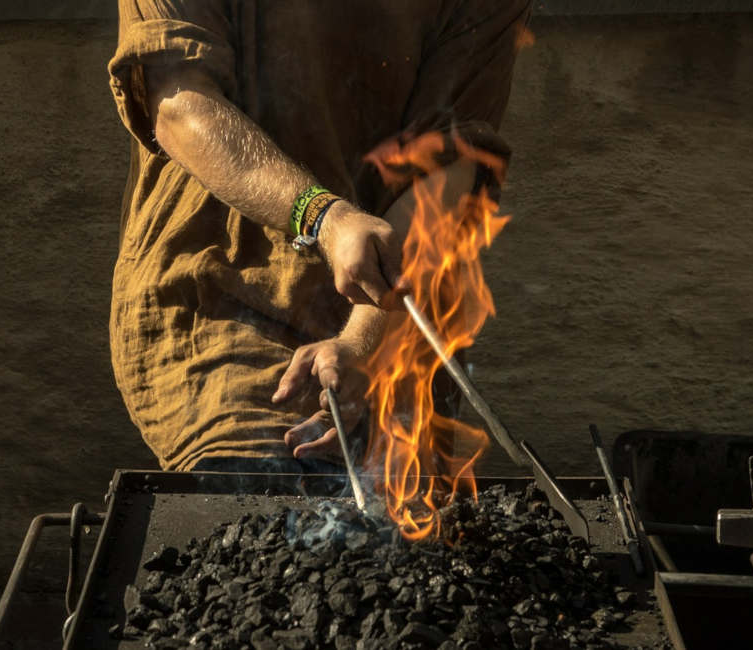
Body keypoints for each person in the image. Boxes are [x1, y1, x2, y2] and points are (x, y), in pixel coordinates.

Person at [107, 0, 532, 472]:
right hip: (223, 303)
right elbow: (180, 103)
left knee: (407, 534)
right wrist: (325, 218)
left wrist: (364, 343)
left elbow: (447, 167)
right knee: (251, 504)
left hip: (394, 324)